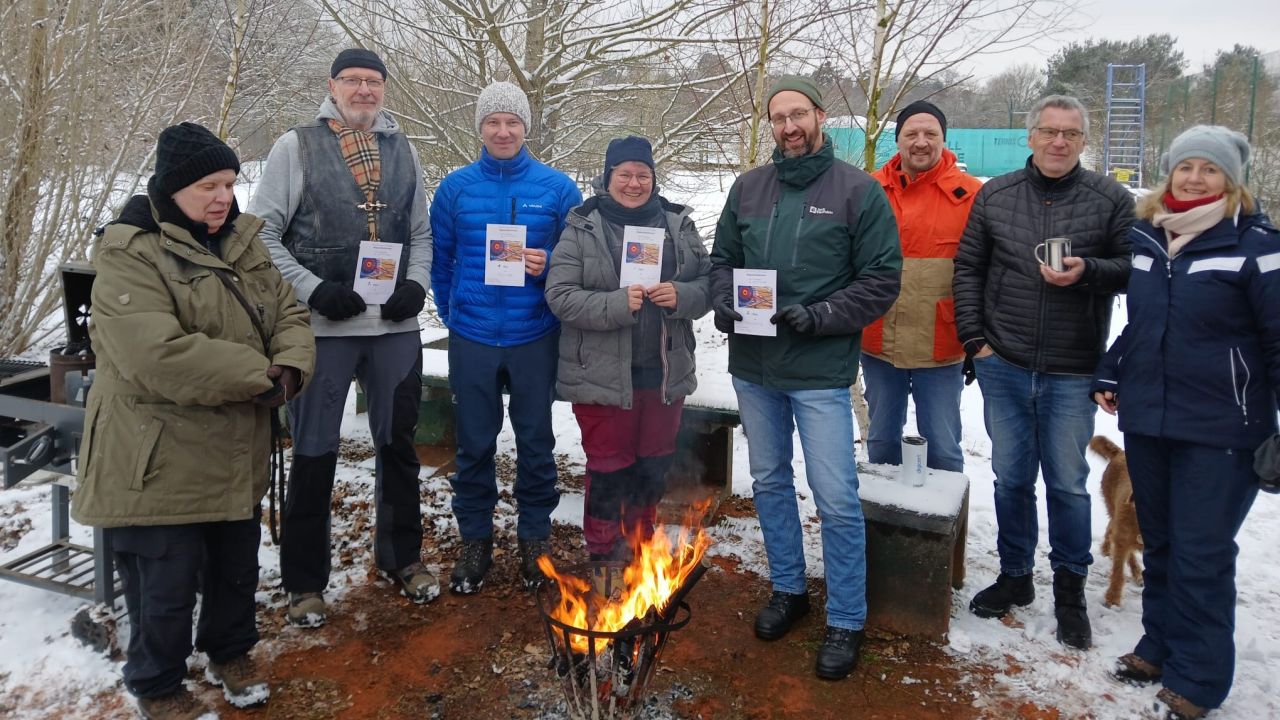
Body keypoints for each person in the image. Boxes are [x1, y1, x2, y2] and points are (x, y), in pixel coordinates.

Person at [72, 123, 315, 719]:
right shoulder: (131, 253)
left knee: (235, 569)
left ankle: (230, 653)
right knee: (165, 585)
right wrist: (264, 375)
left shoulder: (242, 242)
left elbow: (288, 311)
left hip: (232, 448)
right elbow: (156, 355)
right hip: (157, 455)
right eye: (208, 185)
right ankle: (156, 685)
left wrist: (291, 361)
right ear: (171, 188)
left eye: (230, 183)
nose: (222, 197)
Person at [710, 76, 902, 680]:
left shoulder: (858, 192)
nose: (789, 126)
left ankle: (847, 616)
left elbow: (881, 280)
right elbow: (722, 263)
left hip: (819, 370)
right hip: (756, 368)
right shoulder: (748, 188)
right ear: (769, 126)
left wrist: (820, 316)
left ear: (820, 117)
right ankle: (789, 589)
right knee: (768, 483)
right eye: (777, 117)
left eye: (798, 114)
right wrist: (723, 302)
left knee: (836, 499)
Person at [1092, 126, 1279, 720]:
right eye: (1185, 167)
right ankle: (1159, 645)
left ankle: (1200, 677)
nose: (1195, 179)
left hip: (1223, 428)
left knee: (1202, 551)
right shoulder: (1148, 238)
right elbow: (1146, 323)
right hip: (1151, 420)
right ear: (1169, 173)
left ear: (1232, 180)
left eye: (1211, 169)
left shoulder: (1256, 245)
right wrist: (1113, 368)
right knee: (1164, 541)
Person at [249, 48, 437, 627]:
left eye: (374, 81)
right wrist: (312, 290)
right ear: (332, 85)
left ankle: (401, 557)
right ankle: (305, 582)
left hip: (393, 329)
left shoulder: (404, 150)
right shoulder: (296, 146)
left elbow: (423, 232)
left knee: (398, 447)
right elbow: (263, 236)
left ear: (384, 89)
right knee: (314, 451)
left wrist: (417, 284)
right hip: (324, 330)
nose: (364, 90)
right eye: (353, 80)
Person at [952, 94, 1134, 649]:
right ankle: (1014, 577)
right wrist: (975, 341)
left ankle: (1070, 591)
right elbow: (968, 268)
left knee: (1068, 484)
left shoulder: (1110, 199)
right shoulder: (997, 195)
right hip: (1002, 362)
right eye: (1049, 131)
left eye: (1071, 134)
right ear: (1030, 136)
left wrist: (1088, 271)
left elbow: (1134, 270)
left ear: (1083, 141)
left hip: (1072, 368)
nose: (1059, 142)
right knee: (1010, 479)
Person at [430, 81, 582, 593]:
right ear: (480, 128)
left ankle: (534, 539)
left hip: (534, 333)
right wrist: (455, 313)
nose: (502, 130)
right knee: (473, 443)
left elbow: (574, 263)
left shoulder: (557, 189)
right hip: (472, 333)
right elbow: (442, 259)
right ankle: (475, 541)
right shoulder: (454, 189)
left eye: (512, 122)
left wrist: (545, 270)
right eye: (493, 122)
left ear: (525, 128)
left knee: (536, 441)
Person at [545, 136, 712, 561]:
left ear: (653, 179)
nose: (634, 183)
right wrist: (616, 304)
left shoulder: (677, 224)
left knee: (652, 466)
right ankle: (603, 553)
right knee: (608, 469)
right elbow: (560, 295)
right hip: (600, 375)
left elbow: (711, 285)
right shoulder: (583, 225)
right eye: (624, 174)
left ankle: (639, 547)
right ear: (608, 178)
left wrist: (682, 296)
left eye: (643, 174)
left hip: (663, 374)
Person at [862, 100, 981, 472]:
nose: (921, 141)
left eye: (931, 133)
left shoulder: (972, 194)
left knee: (944, 446)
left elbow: (986, 271)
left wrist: (979, 336)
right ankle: (883, 523)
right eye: (911, 133)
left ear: (944, 140)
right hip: (878, 340)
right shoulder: (869, 191)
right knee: (881, 442)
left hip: (943, 344)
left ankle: (944, 529)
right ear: (897, 140)